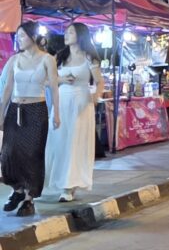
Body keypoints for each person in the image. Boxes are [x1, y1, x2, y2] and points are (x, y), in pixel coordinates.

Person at [0, 22, 61, 216]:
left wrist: (56, 113)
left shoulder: (47, 59)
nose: (18, 39)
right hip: (15, 109)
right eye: (17, 36)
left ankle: (29, 198)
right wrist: (1, 112)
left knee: (32, 155)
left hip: (36, 111)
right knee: (9, 153)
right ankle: (17, 190)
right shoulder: (14, 60)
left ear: (33, 37)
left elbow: (54, 88)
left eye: (22, 36)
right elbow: (8, 88)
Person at [44, 23, 104, 202]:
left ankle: (69, 186)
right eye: (66, 32)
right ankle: (56, 181)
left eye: (70, 32)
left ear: (80, 35)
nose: (66, 35)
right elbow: (46, 80)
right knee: (58, 142)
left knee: (74, 144)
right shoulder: (60, 56)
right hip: (61, 102)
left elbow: (99, 82)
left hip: (81, 102)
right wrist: (61, 79)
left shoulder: (89, 57)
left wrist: (95, 98)